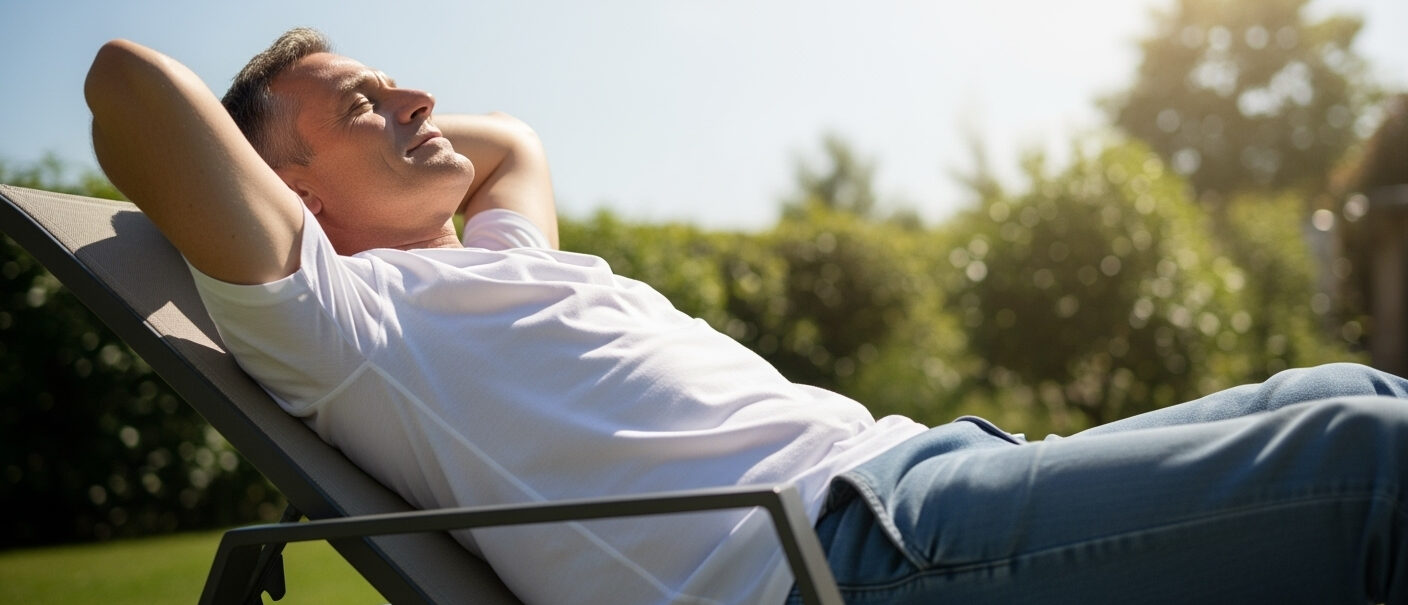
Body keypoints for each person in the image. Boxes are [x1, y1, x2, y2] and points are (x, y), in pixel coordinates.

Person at [82, 29, 1407, 605]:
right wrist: (286, 195)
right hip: (845, 565)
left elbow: (515, 143)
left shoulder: (498, 259)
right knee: (1370, 471)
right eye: (364, 102)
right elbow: (125, 79)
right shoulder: (340, 318)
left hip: (925, 481)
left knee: (1351, 394)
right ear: (279, 185)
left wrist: (382, 124)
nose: (420, 100)